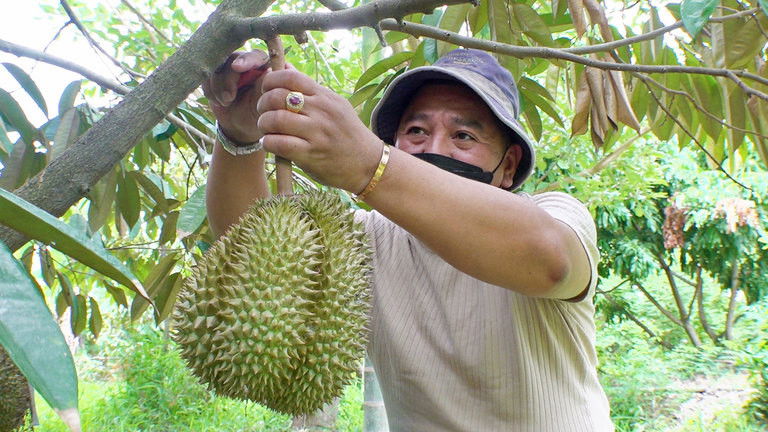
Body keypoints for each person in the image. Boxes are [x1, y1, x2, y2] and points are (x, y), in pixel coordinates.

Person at [203, 47, 614, 431]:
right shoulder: (367, 242)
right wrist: (238, 134)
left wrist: (368, 166)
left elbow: (549, 260)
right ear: (395, 144)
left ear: (507, 166)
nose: (434, 148)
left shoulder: (554, 215)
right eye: (416, 130)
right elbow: (248, 251)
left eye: (463, 137)